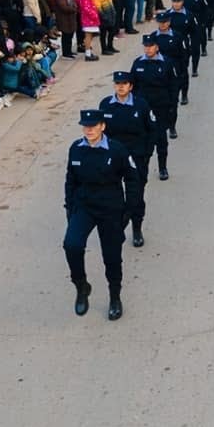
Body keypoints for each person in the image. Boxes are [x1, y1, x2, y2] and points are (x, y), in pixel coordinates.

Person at [63, 109, 142, 321]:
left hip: (110, 208)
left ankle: (115, 296)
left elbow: (133, 179)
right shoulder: (76, 149)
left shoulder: (116, 150)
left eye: (93, 125)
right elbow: (70, 180)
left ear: (102, 127)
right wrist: (70, 209)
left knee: (112, 257)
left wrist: (129, 210)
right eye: (85, 126)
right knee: (72, 244)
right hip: (84, 206)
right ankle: (81, 286)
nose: (89, 129)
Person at [99, 72, 155, 247]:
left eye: (124, 83)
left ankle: (136, 227)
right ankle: (115, 227)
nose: (120, 87)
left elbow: (151, 130)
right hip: (114, 157)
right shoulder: (106, 105)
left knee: (135, 195)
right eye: (117, 83)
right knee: (113, 195)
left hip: (136, 156)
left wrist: (146, 154)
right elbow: (100, 132)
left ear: (131, 86)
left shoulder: (141, 104)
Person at [129, 33, 176, 179]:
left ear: (157, 47)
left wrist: (172, 105)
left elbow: (173, 85)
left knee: (161, 139)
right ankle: (143, 167)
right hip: (143, 109)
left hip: (160, 107)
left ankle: (163, 167)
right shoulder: (138, 63)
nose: (148, 49)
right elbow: (132, 86)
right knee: (143, 140)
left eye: (151, 47)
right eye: (146, 47)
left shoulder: (166, 63)